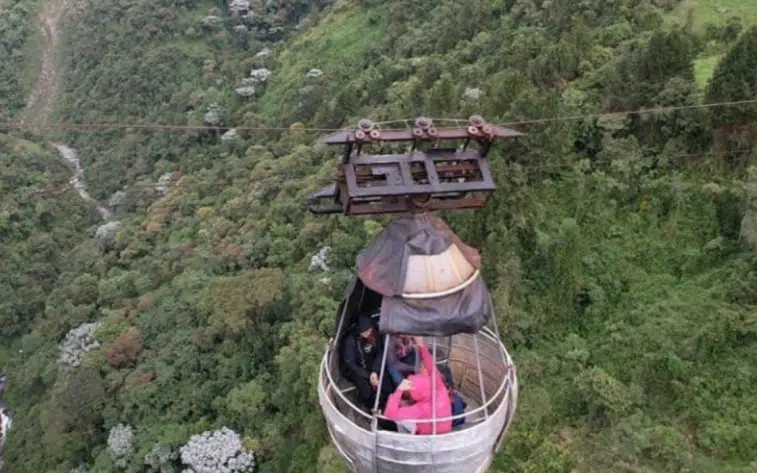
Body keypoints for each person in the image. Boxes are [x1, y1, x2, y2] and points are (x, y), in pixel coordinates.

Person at [383, 336, 452, 435]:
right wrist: (422, 347)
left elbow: (389, 415)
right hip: (444, 430)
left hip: (426, 437)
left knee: (390, 421)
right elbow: (431, 367)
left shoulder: (420, 409)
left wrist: (398, 391)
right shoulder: (440, 387)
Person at [340, 313, 394, 411]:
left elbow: (380, 352)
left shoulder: (374, 333)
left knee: (387, 384)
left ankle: (387, 403)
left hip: (372, 364)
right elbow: (350, 363)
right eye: (365, 332)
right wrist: (367, 375)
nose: (368, 333)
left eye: (370, 330)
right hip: (358, 369)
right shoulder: (350, 341)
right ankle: (370, 406)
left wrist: (375, 370)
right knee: (366, 392)